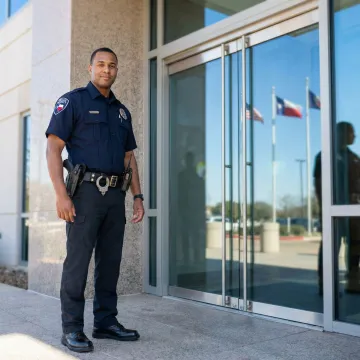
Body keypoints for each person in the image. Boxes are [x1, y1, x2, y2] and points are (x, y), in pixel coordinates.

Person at [45, 47, 145, 353]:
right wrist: (61, 195)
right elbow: (53, 148)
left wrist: (137, 197)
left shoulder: (122, 112)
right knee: (77, 262)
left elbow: (129, 157)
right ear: (90, 69)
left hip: (115, 195)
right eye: (101, 64)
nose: (107, 69)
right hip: (84, 194)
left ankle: (105, 322)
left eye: (112, 65)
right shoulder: (72, 101)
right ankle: (72, 328)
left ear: (116, 71)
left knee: (110, 261)